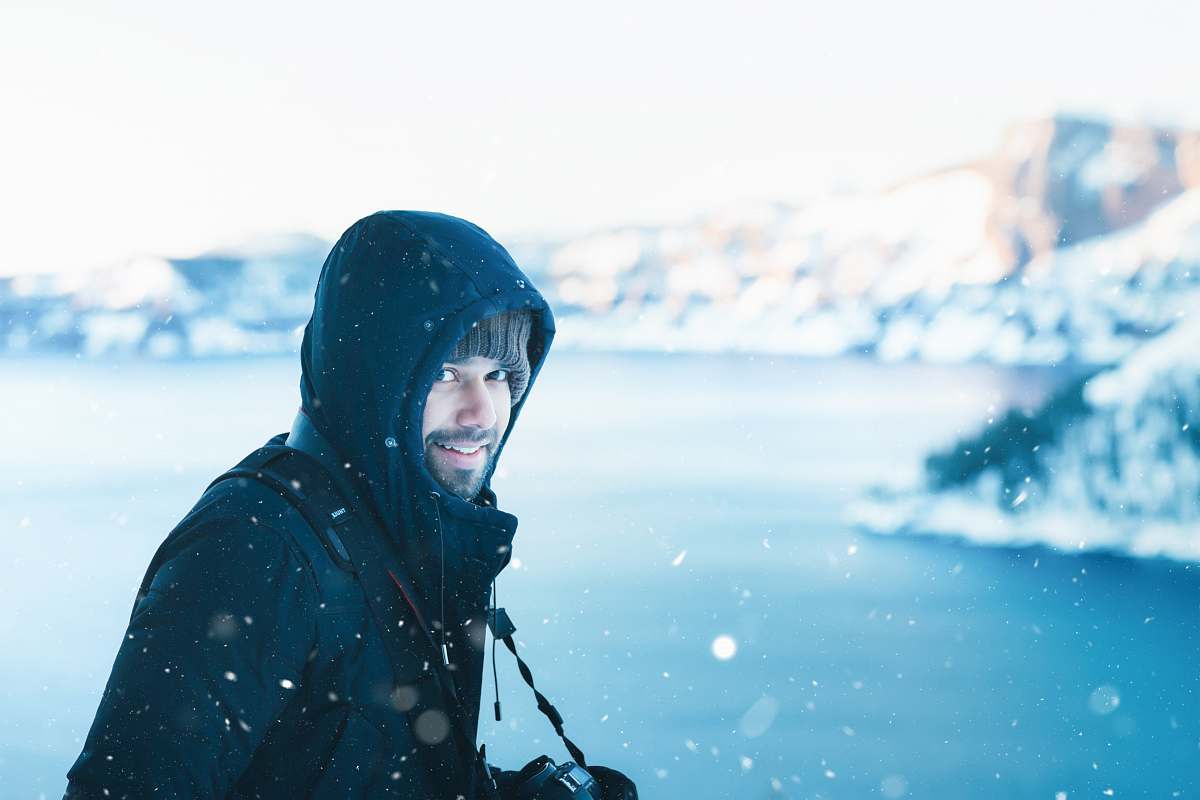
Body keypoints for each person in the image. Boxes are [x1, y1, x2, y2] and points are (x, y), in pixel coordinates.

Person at [64, 211, 637, 799]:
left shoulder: (401, 525)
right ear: (373, 380)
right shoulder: (256, 547)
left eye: (497, 375)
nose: (482, 413)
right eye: (445, 374)